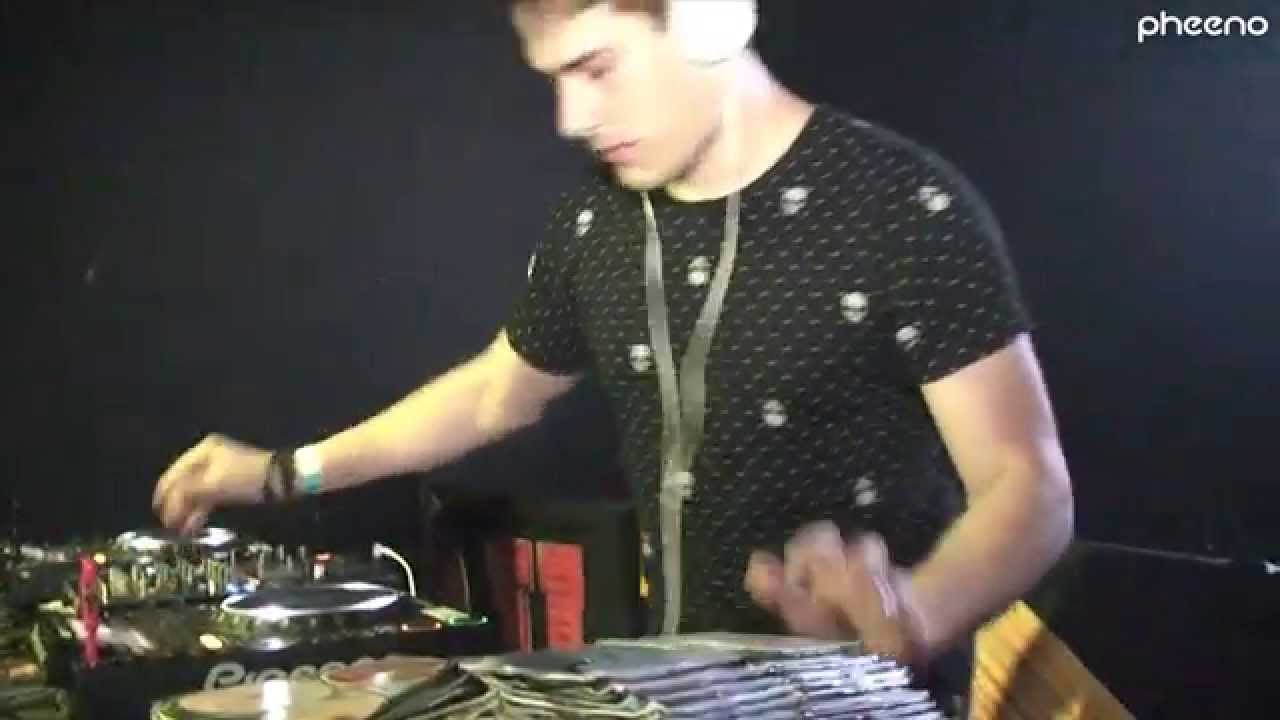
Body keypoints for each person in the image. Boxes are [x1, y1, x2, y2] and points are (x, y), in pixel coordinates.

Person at [152, 0, 1073, 714]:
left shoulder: (904, 207)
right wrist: (284, 473)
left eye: (596, 68)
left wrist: (919, 611)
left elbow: (1029, 486)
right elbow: (495, 393)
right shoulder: (596, 220)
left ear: (711, 21)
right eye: (555, 79)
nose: (570, 116)